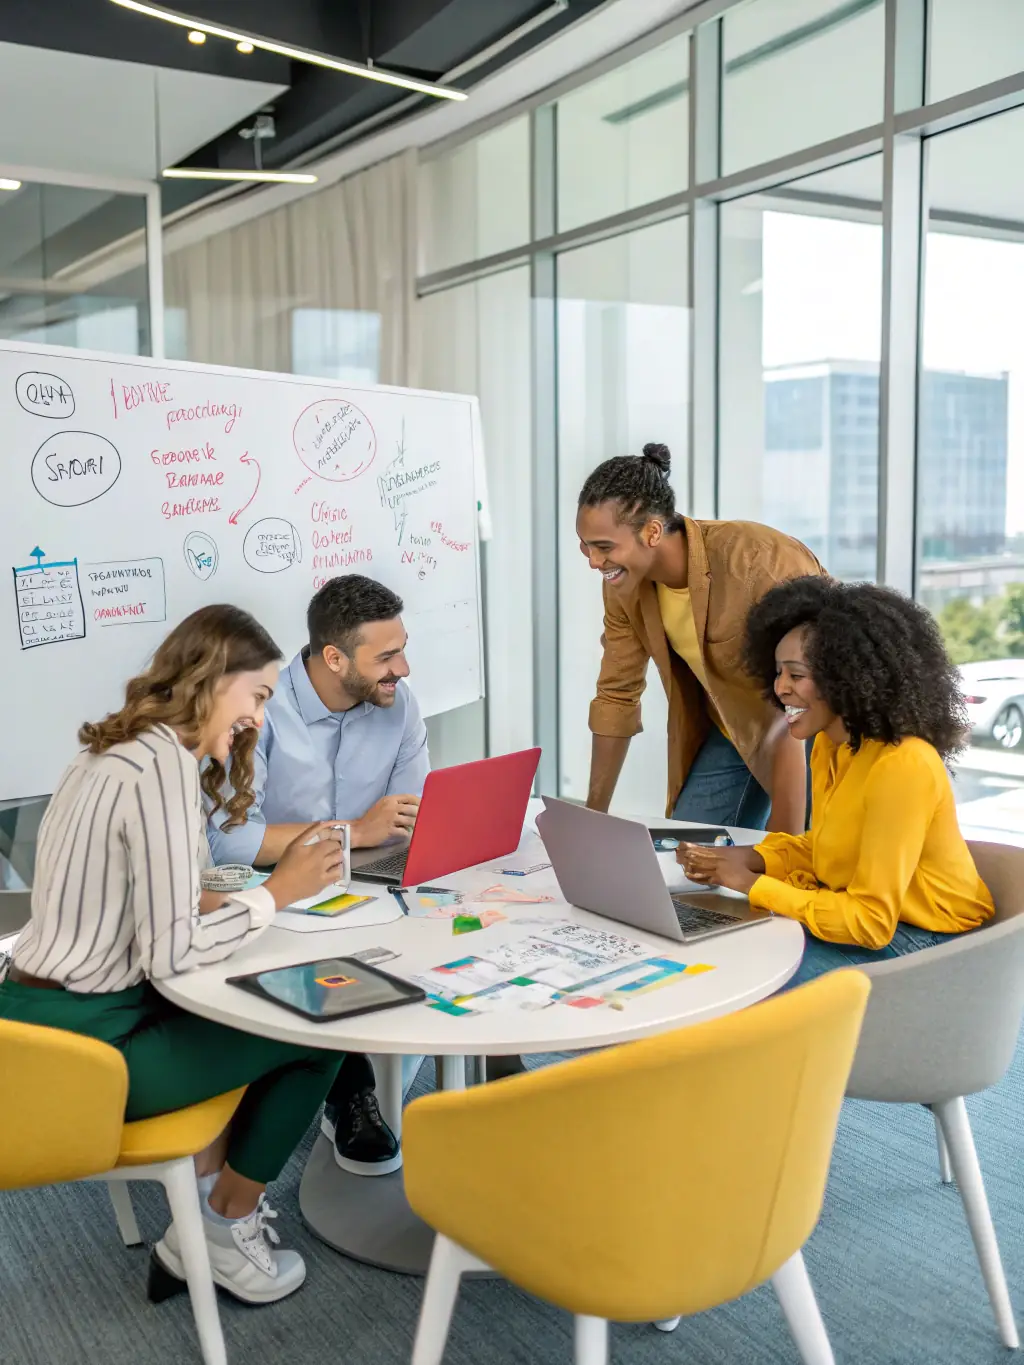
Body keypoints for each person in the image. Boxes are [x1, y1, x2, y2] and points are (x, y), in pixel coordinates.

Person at [0, 605, 346, 1304]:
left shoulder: (116, 748)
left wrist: (236, 900)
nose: (258, 717)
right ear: (213, 679)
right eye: (258, 696)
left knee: (256, 998)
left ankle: (205, 1203)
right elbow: (171, 951)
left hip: (31, 1018)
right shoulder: (160, 765)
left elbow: (138, 902)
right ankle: (225, 1225)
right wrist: (277, 894)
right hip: (87, 1051)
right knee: (320, 1023)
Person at [208, 574, 430, 1175]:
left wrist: (386, 839)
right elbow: (227, 840)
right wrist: (352, 831)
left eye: (402, 648)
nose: (403, 669)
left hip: (375, 879)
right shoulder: (259, 709)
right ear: (334, 658)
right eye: (386, 656)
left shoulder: (397, 704)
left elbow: (410, 817)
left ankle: (493, 1065)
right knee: (323, 965)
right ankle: (349, 1089)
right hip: (281, 890)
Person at [678, 577, 995, 986]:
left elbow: (870, 923)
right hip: (880, 923)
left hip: (931, 943)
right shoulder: (833, 744)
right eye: (777, 673)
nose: (780, 688)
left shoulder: (904, 765)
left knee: (750, 980)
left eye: (796, 674)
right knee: (722, 952)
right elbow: (829, 850)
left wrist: (751, 883)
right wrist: (751, 859)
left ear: (846, 677)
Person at [578, 443, 824, 832]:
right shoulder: (623, 585)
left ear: (653, 532)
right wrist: (591, 818)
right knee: (685, 856)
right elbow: (617, 695)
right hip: (733, 726)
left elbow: (800, 695)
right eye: (586, 546)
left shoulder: (757, 561)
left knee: (816, 863)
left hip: (816, 724)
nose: (593, 561)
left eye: (604, 547)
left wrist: (784, 849)